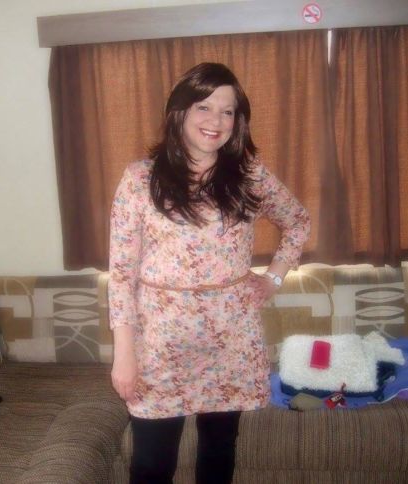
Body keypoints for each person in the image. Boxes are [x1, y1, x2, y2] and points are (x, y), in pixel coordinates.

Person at [109, 62, 310, 484]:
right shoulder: (140, 179)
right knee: (151, 464)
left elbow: (297, 221)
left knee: (218, 457)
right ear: (179, 111)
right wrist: (124, 355)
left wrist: (273, 279)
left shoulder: (250, 175)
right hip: (161, 345)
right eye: (204, 107)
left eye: (227, 111)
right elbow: (122, 274)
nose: (215, 121)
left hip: (230, 341)